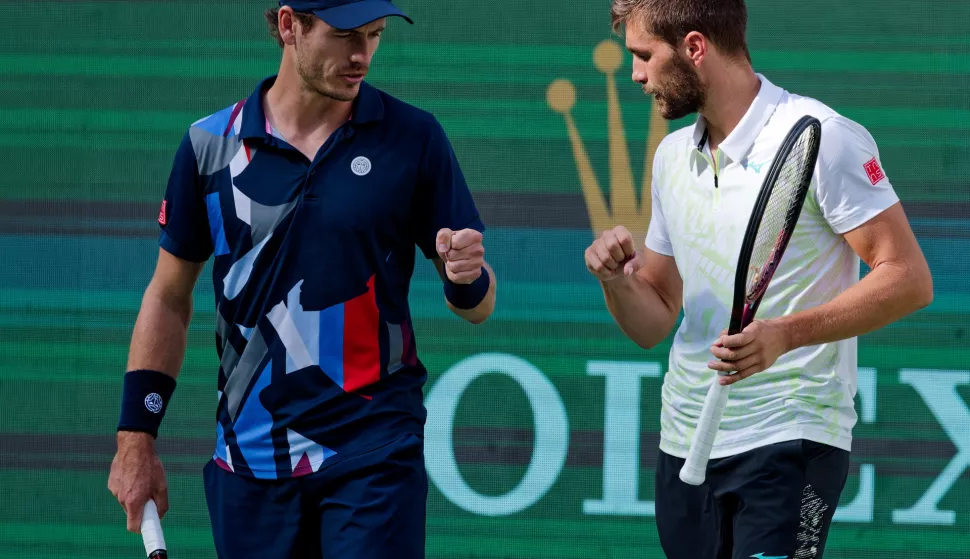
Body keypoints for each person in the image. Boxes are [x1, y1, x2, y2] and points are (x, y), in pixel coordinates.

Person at [107, 1, 497, 557]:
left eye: (375, 35)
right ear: (290, 26)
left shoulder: (414, 138)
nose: (362, 55)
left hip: (374, 447)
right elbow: (168, 298)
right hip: (248, 461)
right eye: (345, 36)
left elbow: (477, 304)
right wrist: (135, 440)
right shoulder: (208, 147)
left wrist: (466, 276)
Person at [585, 1, 932, 557]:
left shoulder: (825, 137)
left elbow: (909, 278)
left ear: (695, 48)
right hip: (684, 442)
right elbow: (654, 320)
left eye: (644, 55)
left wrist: (786, 334)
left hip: (790, 438)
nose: (637, 74)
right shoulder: (672, 157)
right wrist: (615, 281)